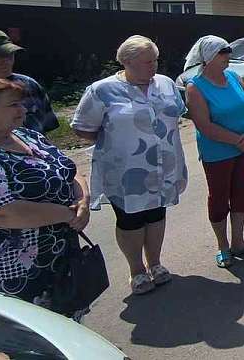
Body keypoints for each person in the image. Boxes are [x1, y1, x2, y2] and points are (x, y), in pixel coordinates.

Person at [0, 77, 90, 317]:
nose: (23, 110)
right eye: (12, 105)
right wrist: (69, 214)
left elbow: (68, 168)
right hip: (9, 276)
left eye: (21, 103)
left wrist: (83, 200)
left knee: (65, 324)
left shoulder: (27, 135)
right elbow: (2, 213)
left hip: (55, 260)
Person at [71, 36, 187, 295]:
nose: (153, 66)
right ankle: (136, 270)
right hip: (125, 171)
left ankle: (155, 264)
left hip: (163, 165)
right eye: (147, 62)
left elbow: (177, 113)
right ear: (126, 62)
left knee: (157, 214)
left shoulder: (165, 84)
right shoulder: (102, 90)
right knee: (131, 219)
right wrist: (118, 141)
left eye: (155, 60)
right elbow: (83, 128)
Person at [184, 36, 244, 269]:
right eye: (223, 53)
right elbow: (205, 126)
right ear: (208, 58)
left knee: (242, 193)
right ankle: (223, 246)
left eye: (228, 52)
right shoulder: (195, 86)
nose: (227, 57)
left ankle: (238, 242)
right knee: (219, 199)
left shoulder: (233, 77)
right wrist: (238, 141)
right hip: (218, 152)